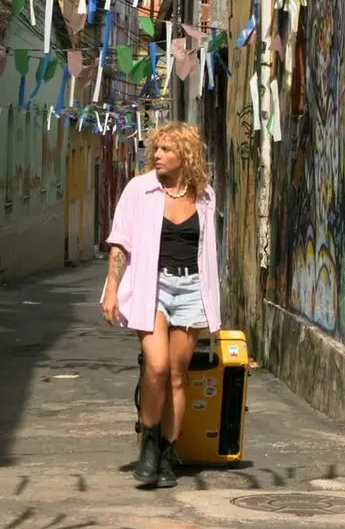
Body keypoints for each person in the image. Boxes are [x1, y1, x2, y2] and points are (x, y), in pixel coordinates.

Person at [100, 121, 222, 488]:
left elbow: (207, 253)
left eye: (167, 150)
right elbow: (120, 242)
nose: (157, 155)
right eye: (156, 148)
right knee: (155, 366)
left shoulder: (204, 196)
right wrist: (111, 290)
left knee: (176, 374)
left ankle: (168, 452)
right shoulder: (140, 190)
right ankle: (148, 447)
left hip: (190, 290)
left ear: (185, 154)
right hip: (152, 286)